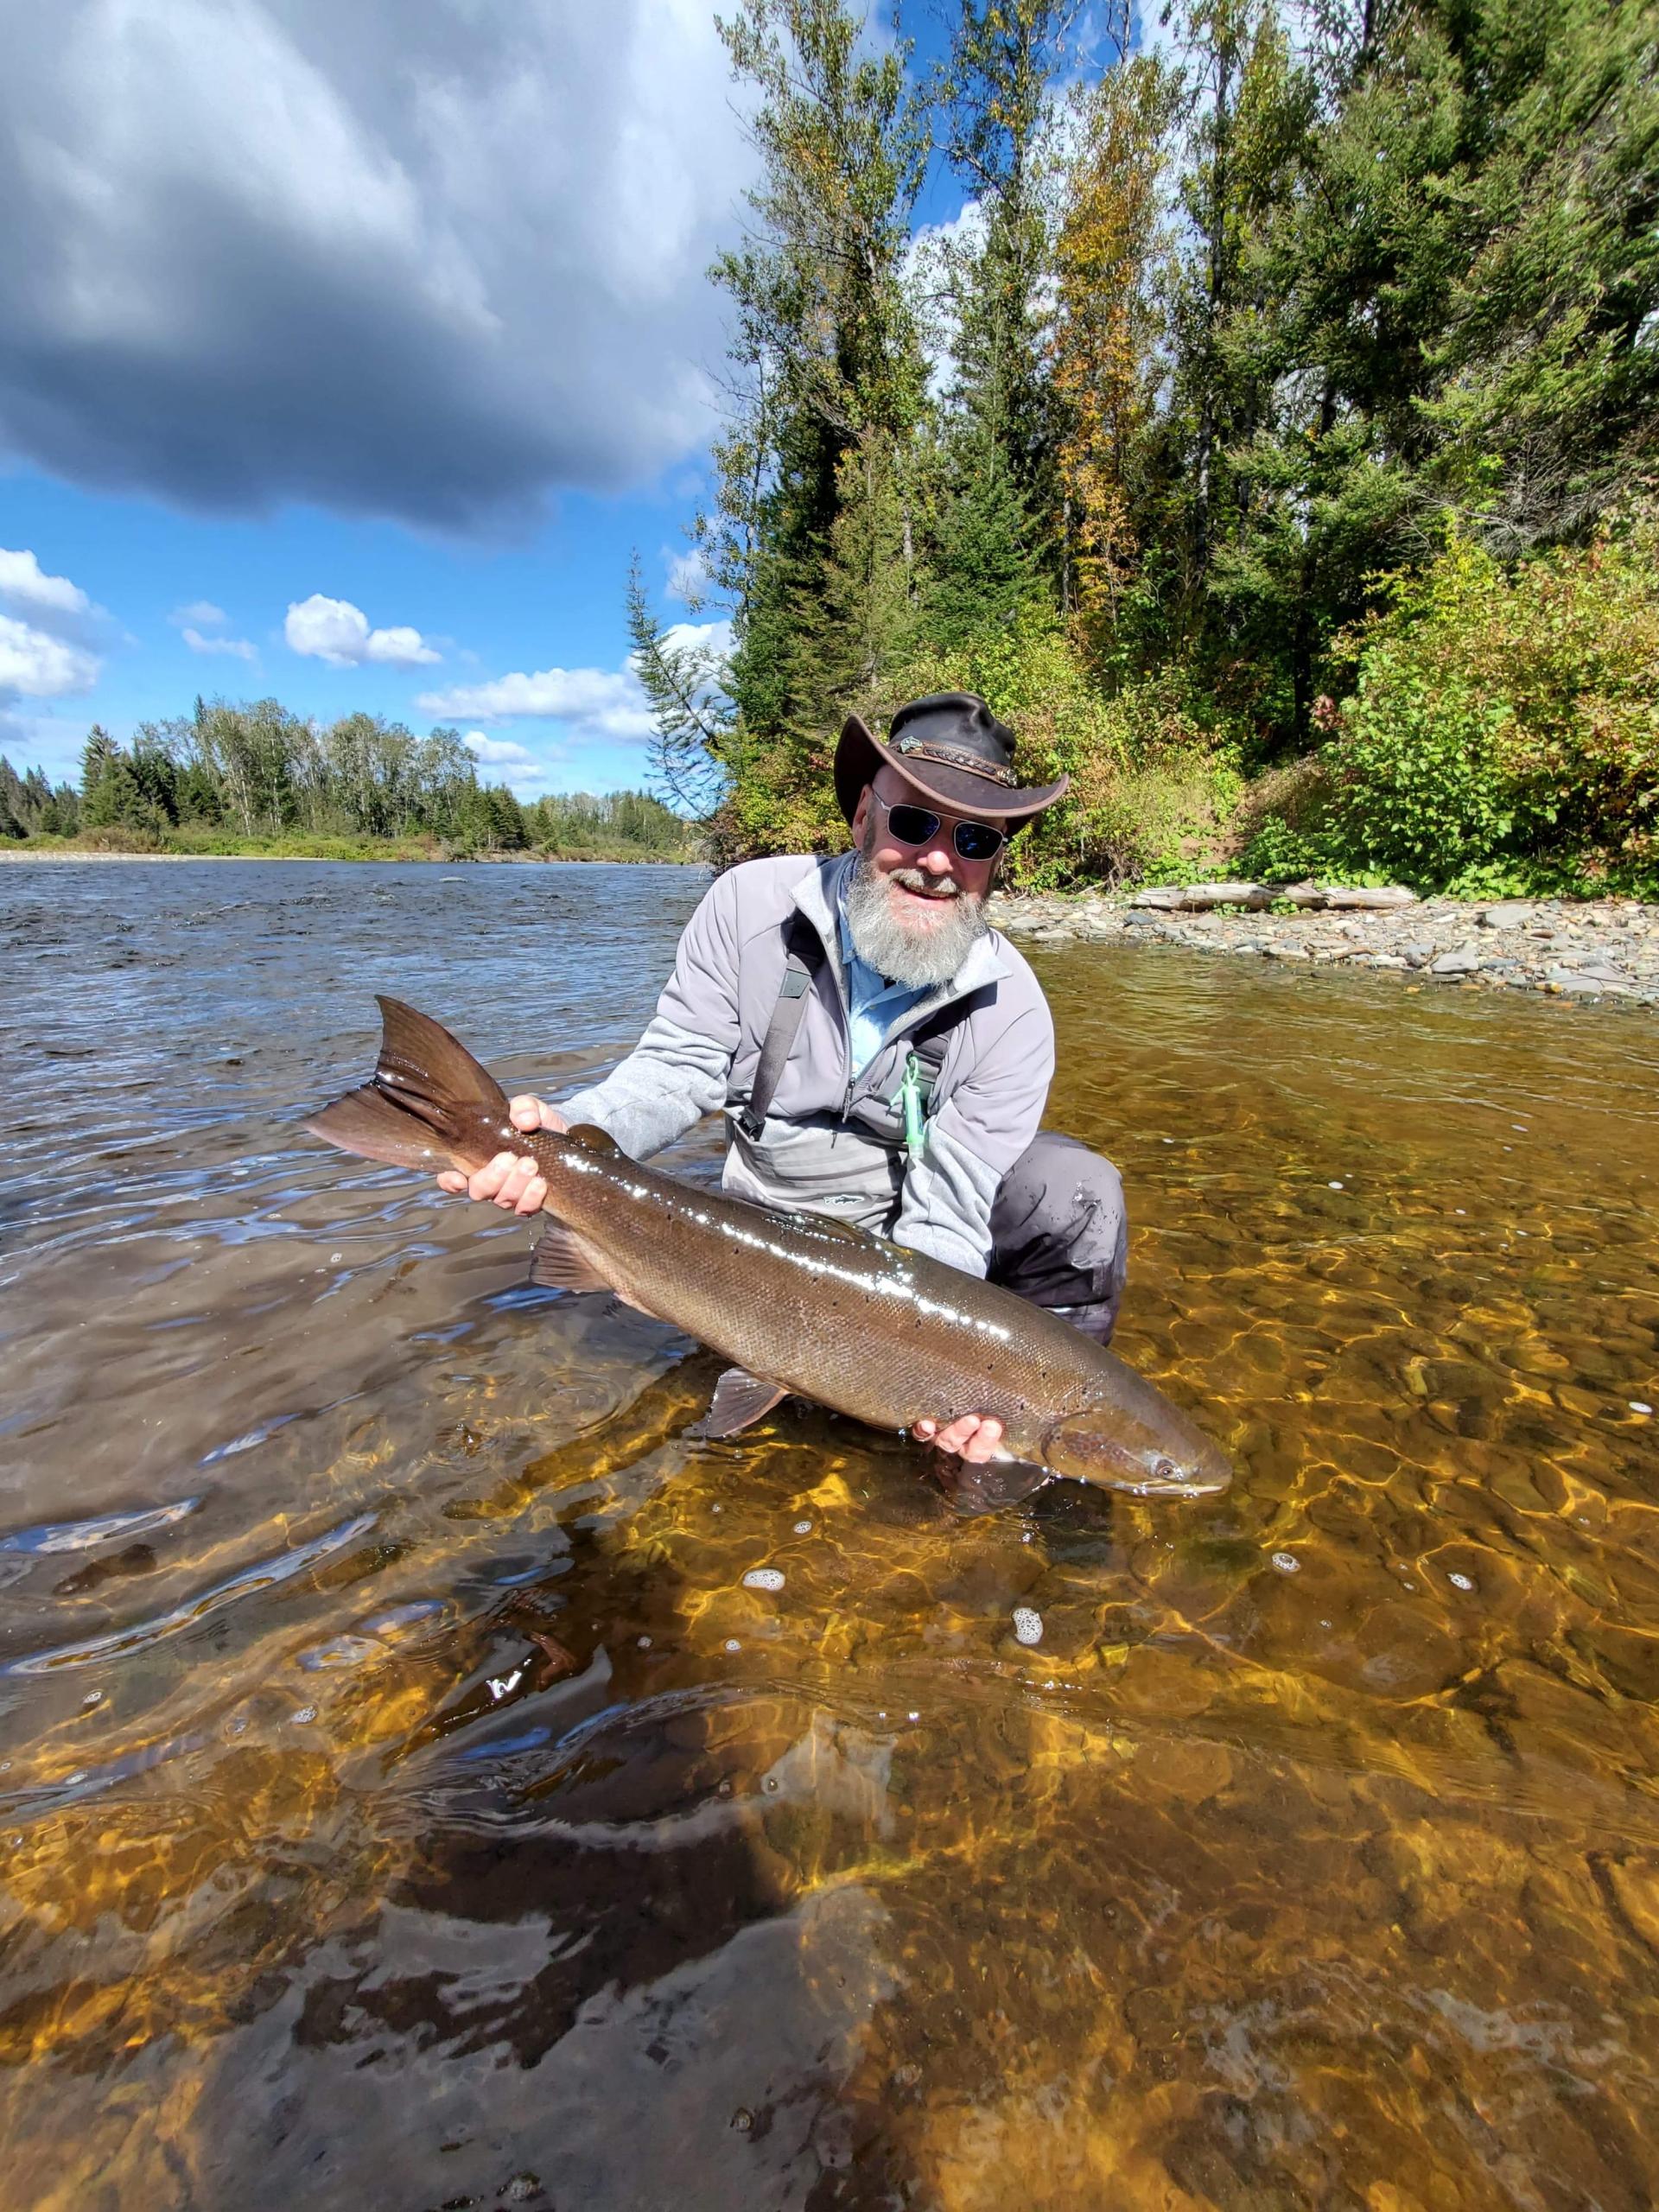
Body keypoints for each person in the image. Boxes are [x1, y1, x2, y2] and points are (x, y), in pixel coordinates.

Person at [438, 692, 1127, 1468]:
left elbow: (951, 1210)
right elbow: (676, 1069)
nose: (938, 861)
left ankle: (1026, 1442)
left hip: (898, 1251)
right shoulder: (749, 906)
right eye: (913, 823)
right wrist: (568, 1132)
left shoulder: (1014, 1012)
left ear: (996, 860)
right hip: (752, 1232)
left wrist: (951, 1377)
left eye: (973, 838)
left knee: (1075, 1187)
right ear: (865, 815)